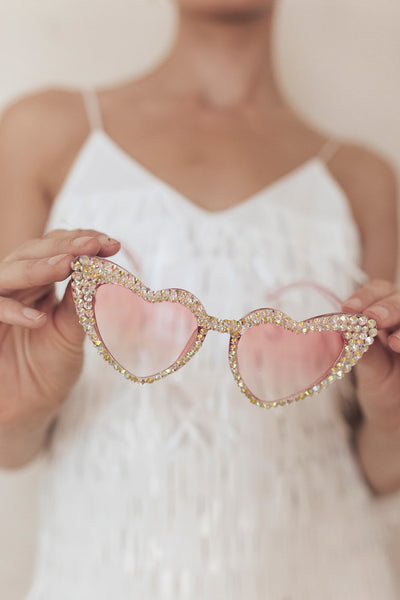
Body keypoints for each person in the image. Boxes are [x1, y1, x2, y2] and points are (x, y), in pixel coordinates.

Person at [0, 0, 400, 598]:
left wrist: (392, 417)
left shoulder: (363, 178)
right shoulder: (45, 131)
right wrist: (18, 406)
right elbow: (10, 443)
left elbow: (378, 470)